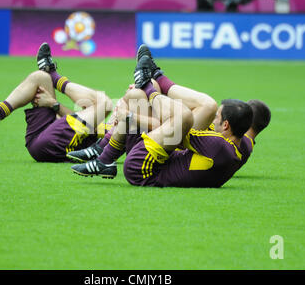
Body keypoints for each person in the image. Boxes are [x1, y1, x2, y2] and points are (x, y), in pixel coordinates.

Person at [71, 45, 259, 188]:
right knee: (203, 105)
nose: (213, 120)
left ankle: (148, 85)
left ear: (225, 125)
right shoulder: (242, 145)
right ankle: (104, 158)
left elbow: (176, 126)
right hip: (164, 154)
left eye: (216, 118)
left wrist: (131, 117)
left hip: (142, 168)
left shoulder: (218, 145)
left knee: (182, 115)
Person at [0, 43, 112, 162]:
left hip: (54, 144)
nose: (120, 107)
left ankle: (54, 76)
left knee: (104, 103)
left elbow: (81, 124)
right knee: (40, 77)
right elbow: (78, 121)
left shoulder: (114, 132)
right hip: (39, 138)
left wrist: (53, 104)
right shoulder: (112, 125)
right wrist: (54, 105)